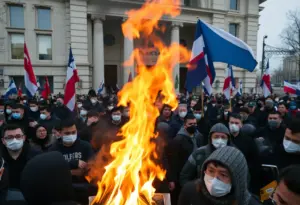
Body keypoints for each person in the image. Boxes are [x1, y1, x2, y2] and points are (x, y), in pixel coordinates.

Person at [178, 146, 262, 205]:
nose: (215, 179)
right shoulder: (190, 191)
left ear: (237, 179)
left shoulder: (248, 202)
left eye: (223, 174)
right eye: (211, 171)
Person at [169, 114, 202, 205]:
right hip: (182, 175)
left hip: (196, 174)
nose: (193, 126)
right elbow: (173, 161)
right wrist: (172, 179)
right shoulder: (178, 140)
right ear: (185, 125)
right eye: (190, 124)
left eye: (195, 124)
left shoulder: (199, 137)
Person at [229, 113, 261, 194]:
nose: (233, 125)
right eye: (231, 123)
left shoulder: (248, 140)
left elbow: (255, 161)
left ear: (241, 124)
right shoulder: (224, 138)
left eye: (236, 123)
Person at [1, 124, 40, 189]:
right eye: (10, 137)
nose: (14, 140)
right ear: (3, 141)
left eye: (18, 136)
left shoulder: (36, 155)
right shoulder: (1, 158)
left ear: (24, 138)